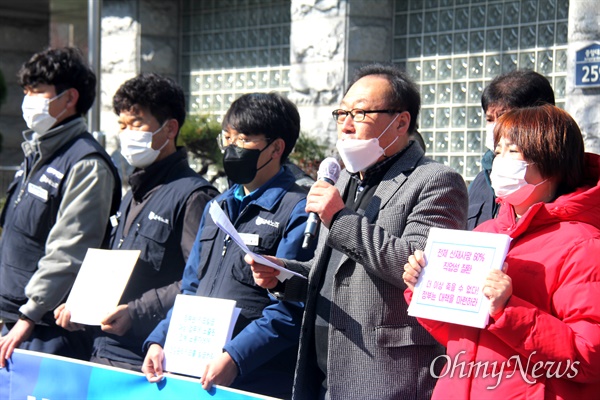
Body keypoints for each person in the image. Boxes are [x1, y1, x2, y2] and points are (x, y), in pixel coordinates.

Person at [248, 63, 469, 399]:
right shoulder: (342, 179)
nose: (346, 126)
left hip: (386, 375)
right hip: (323, 372)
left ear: (401, 122)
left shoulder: (437, 181)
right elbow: (332, 275)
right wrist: (282, 275)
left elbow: (417, 269)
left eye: (361, 114)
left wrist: (339, 218)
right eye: (342, 113)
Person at [404, 104, 600, 398]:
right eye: (497, 151)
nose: (499, 161)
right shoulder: (486, 233)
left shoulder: (583, 245)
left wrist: (509, 310)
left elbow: (588, 358)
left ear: (551, 160)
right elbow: (459, 337)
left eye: (513, 151)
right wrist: (424, 287)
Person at [141, 92, 316, 399]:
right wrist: (159, 340)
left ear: (276, 147)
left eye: (244, 139)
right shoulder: (217, 207)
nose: (232, 148)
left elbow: (291, 305)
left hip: (258, 379)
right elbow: (191, 289)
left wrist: (236, 357)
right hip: (197, 373)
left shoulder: (297, 209)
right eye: (227, 138)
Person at [54, 73, 219, 371]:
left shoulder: (195, 196)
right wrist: (80, 304)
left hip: (146, 359)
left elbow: (202, 281)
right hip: (102, 349)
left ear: (170, 128)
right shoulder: (133, 193)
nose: (127, 133)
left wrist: (137, 312)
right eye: (122, 125)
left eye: (137, 124)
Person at [0, 47, 121, 366]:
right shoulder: (36, 154)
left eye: (37, 91)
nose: (28, 100)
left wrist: (29, 315)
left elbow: (69, 249)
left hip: (46, 330)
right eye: (26, 91)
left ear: (69, 99)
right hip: (15, 321)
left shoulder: (85, 163)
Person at [467, 69, 555, 230]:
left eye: (505, 118)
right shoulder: (480, 181)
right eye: (489, 119)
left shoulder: (563, 183)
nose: (496, 127)